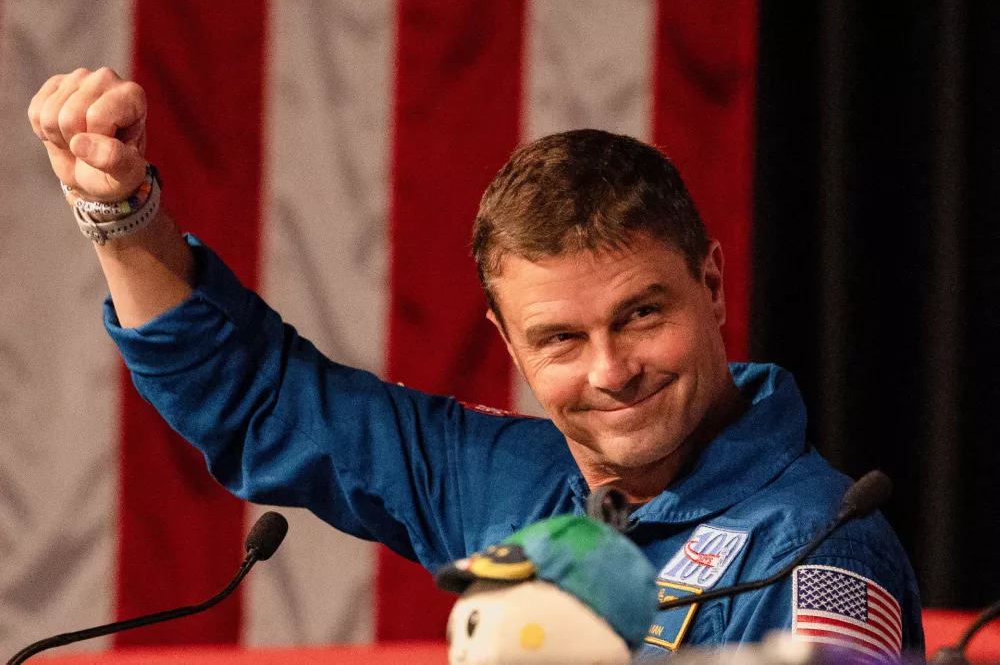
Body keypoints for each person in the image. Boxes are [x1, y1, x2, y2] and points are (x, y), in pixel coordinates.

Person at [28, 68, 924, 661]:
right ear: (508, 343)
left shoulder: (821, 547)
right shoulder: (504, 480)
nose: (611, 370)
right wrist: (121, 214)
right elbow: (259, 398)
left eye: (641, 316)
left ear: (713, 286)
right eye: (560, 339)